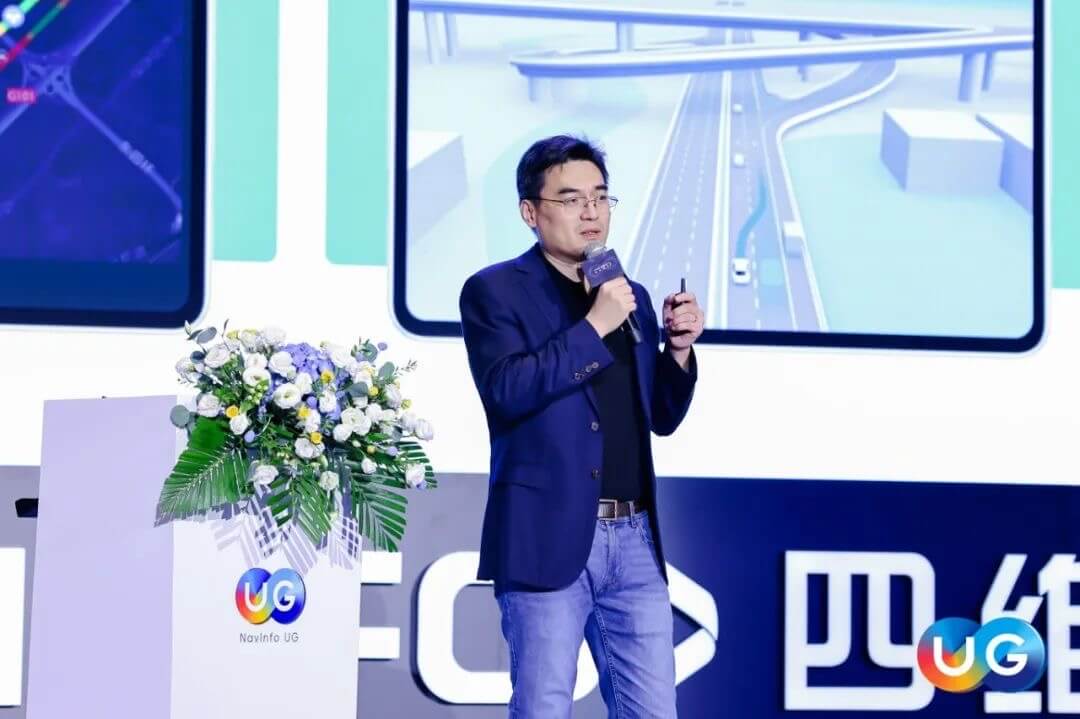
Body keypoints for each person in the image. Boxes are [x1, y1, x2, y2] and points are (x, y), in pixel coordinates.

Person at [459, 134, 704, 718]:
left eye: (600, 197)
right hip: (546, 535)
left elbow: (660, 417)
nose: (591, 212)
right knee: (543, 706)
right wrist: (595, 325)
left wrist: (678, 351)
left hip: (635, 537)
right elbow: (508, 390)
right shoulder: (494, 291)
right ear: (530, 212)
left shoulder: (628, 294)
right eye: (571, 199)